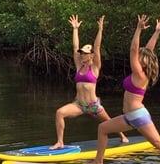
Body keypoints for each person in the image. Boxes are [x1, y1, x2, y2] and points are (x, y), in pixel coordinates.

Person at [85, 15, 160, 164]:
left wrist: (138, 29)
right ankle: (98, 161)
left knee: (159, 144)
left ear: (144, 62)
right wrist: (157, 32)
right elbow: (148, 51)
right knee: (103, 129)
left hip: (138, 116)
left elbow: (133, 50)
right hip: (129, 116)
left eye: (141, 57)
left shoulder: (139, 74)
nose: (138, 56)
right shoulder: (140, 70)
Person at [50, 15, 129, 149]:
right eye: (82, 53)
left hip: (93, 105)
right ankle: (60, 142)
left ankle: (122, 136)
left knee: (109, 122)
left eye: (85, 53)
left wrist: (100, 30)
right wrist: (75, 29)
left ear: (91, 55)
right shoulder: (79, 65)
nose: (82, 55)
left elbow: (97, 46)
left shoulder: (95, 67)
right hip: (79, 105)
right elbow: (75, 46)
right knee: (59, 113)